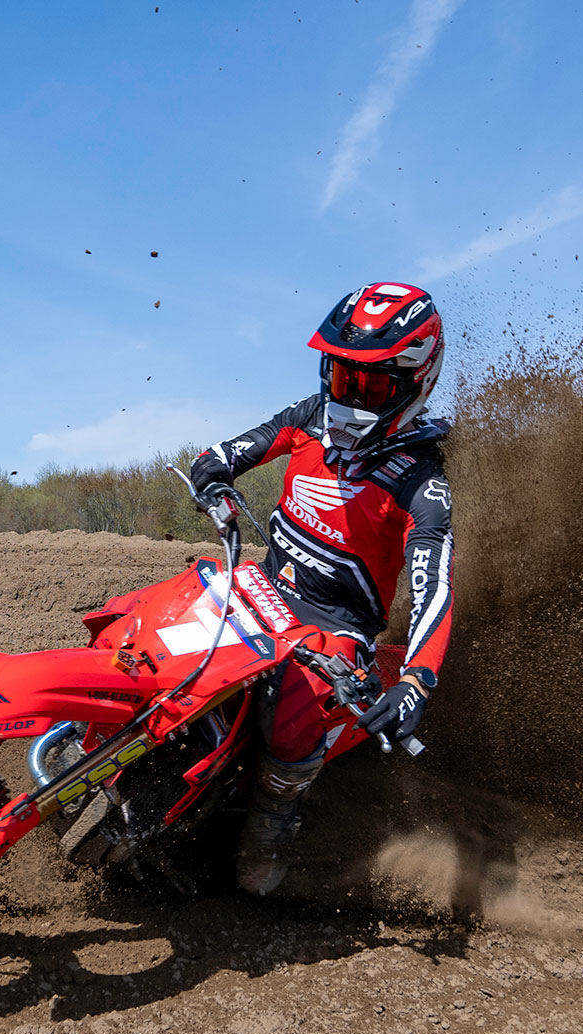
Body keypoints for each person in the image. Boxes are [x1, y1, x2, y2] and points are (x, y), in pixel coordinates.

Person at [189, 281, 454, 896]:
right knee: (147, 624)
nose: (348, 396)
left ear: (415, 382)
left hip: (338, 629)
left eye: (370, 385)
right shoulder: (310, 418)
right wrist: (212, 473)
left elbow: (434, 590)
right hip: (259, 589)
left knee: (297, 711)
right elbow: (231, 450)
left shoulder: (423, 483)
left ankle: (270, 824)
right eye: (341, 377)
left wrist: (416, 681)